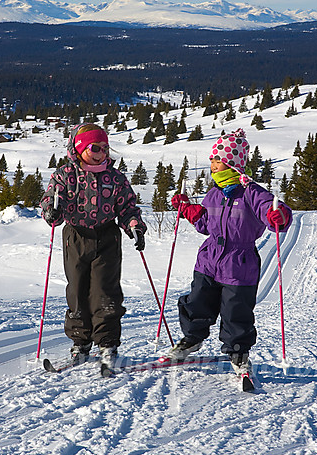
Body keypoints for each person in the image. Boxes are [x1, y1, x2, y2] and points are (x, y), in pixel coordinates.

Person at [169, 128, 291, 371]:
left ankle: (238, 351)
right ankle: (192, 339)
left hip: (239, 263)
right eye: (212, 160)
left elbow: (275, 210)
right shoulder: (213, 193)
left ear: (232, 164)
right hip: (209, 259)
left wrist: (278, 216)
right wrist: (189, 211)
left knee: (236, 311)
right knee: (197, 301)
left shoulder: (252, 192)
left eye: (218, 160)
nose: (213, 164)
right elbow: (206, 224)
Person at [41, 123, 147, 367]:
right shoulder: (64, 175)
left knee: (105, 291)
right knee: (77, 289)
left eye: (105, 147)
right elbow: (51, 205)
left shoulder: (115, 177)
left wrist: (134, 225)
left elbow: (127, 206)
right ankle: (81, 342)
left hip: (107, 236)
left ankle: (107, 342)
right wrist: (53, 210)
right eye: (95, 147)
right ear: (78, 149)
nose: (101, 152)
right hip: (76, 236)